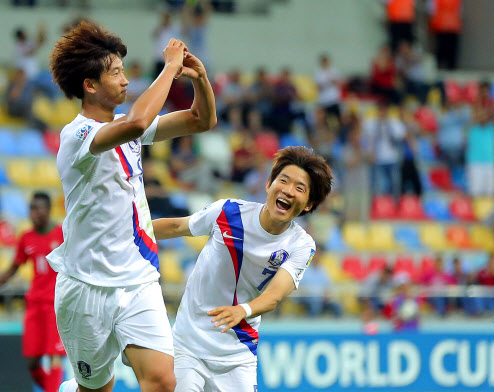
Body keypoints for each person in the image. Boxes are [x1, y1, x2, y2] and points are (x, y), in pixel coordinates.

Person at [47, 21, 216, 392]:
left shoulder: (124, 127)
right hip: (85, 287)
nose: (125, 81)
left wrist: (199, 79)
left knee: (161, 381)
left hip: (138, 279)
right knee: (96, 389)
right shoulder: (78, 136)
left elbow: (201, 120)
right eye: (116, 73)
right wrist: (170, 67)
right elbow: (139, 123)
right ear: (90, 85)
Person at [153, 146, 332, 392]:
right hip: (187, 346)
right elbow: (176, 227)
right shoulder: (229, 211)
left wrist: (243, 310)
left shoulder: (301, 245)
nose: (288, 191)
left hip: (238, 356)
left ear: (309, 204)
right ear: (269, 184)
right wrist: (123, 231)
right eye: (283, 181)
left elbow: (274, 296)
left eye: (299, 188)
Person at [0, 192, 65, 392]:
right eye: (32, 208)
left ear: (48, 210)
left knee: (54, 355)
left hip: (55, 304)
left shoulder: (61, 235)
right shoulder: (26, 238)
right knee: (31, 362)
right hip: (34, 304)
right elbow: (11, 271)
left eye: (39, 208)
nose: (35, 213)